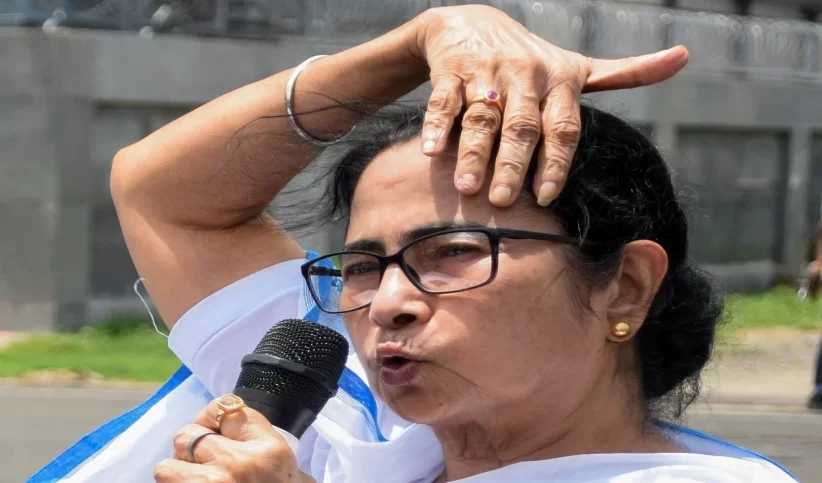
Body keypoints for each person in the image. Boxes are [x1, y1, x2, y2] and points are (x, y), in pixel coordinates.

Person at [30, 5, 795, 483]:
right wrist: (419, 41)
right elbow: (166, 196)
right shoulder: (349, 418)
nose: (387, 302)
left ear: (624, 286)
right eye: (363, 264)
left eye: (454, 251)